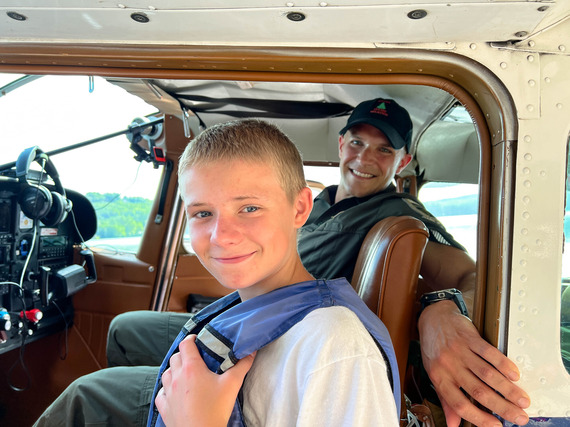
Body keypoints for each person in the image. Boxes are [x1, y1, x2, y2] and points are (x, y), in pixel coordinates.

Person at [36, 99, 530, 426]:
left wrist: (440, 309)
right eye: (357, 141)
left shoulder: (398, 217)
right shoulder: (330, 200)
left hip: (289, 327)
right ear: (341, 145)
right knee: (126, 328)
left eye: (250, 208)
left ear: (401, 162)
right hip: (260, 311)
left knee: (88, 395)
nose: (365, 157)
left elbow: (469, 273)